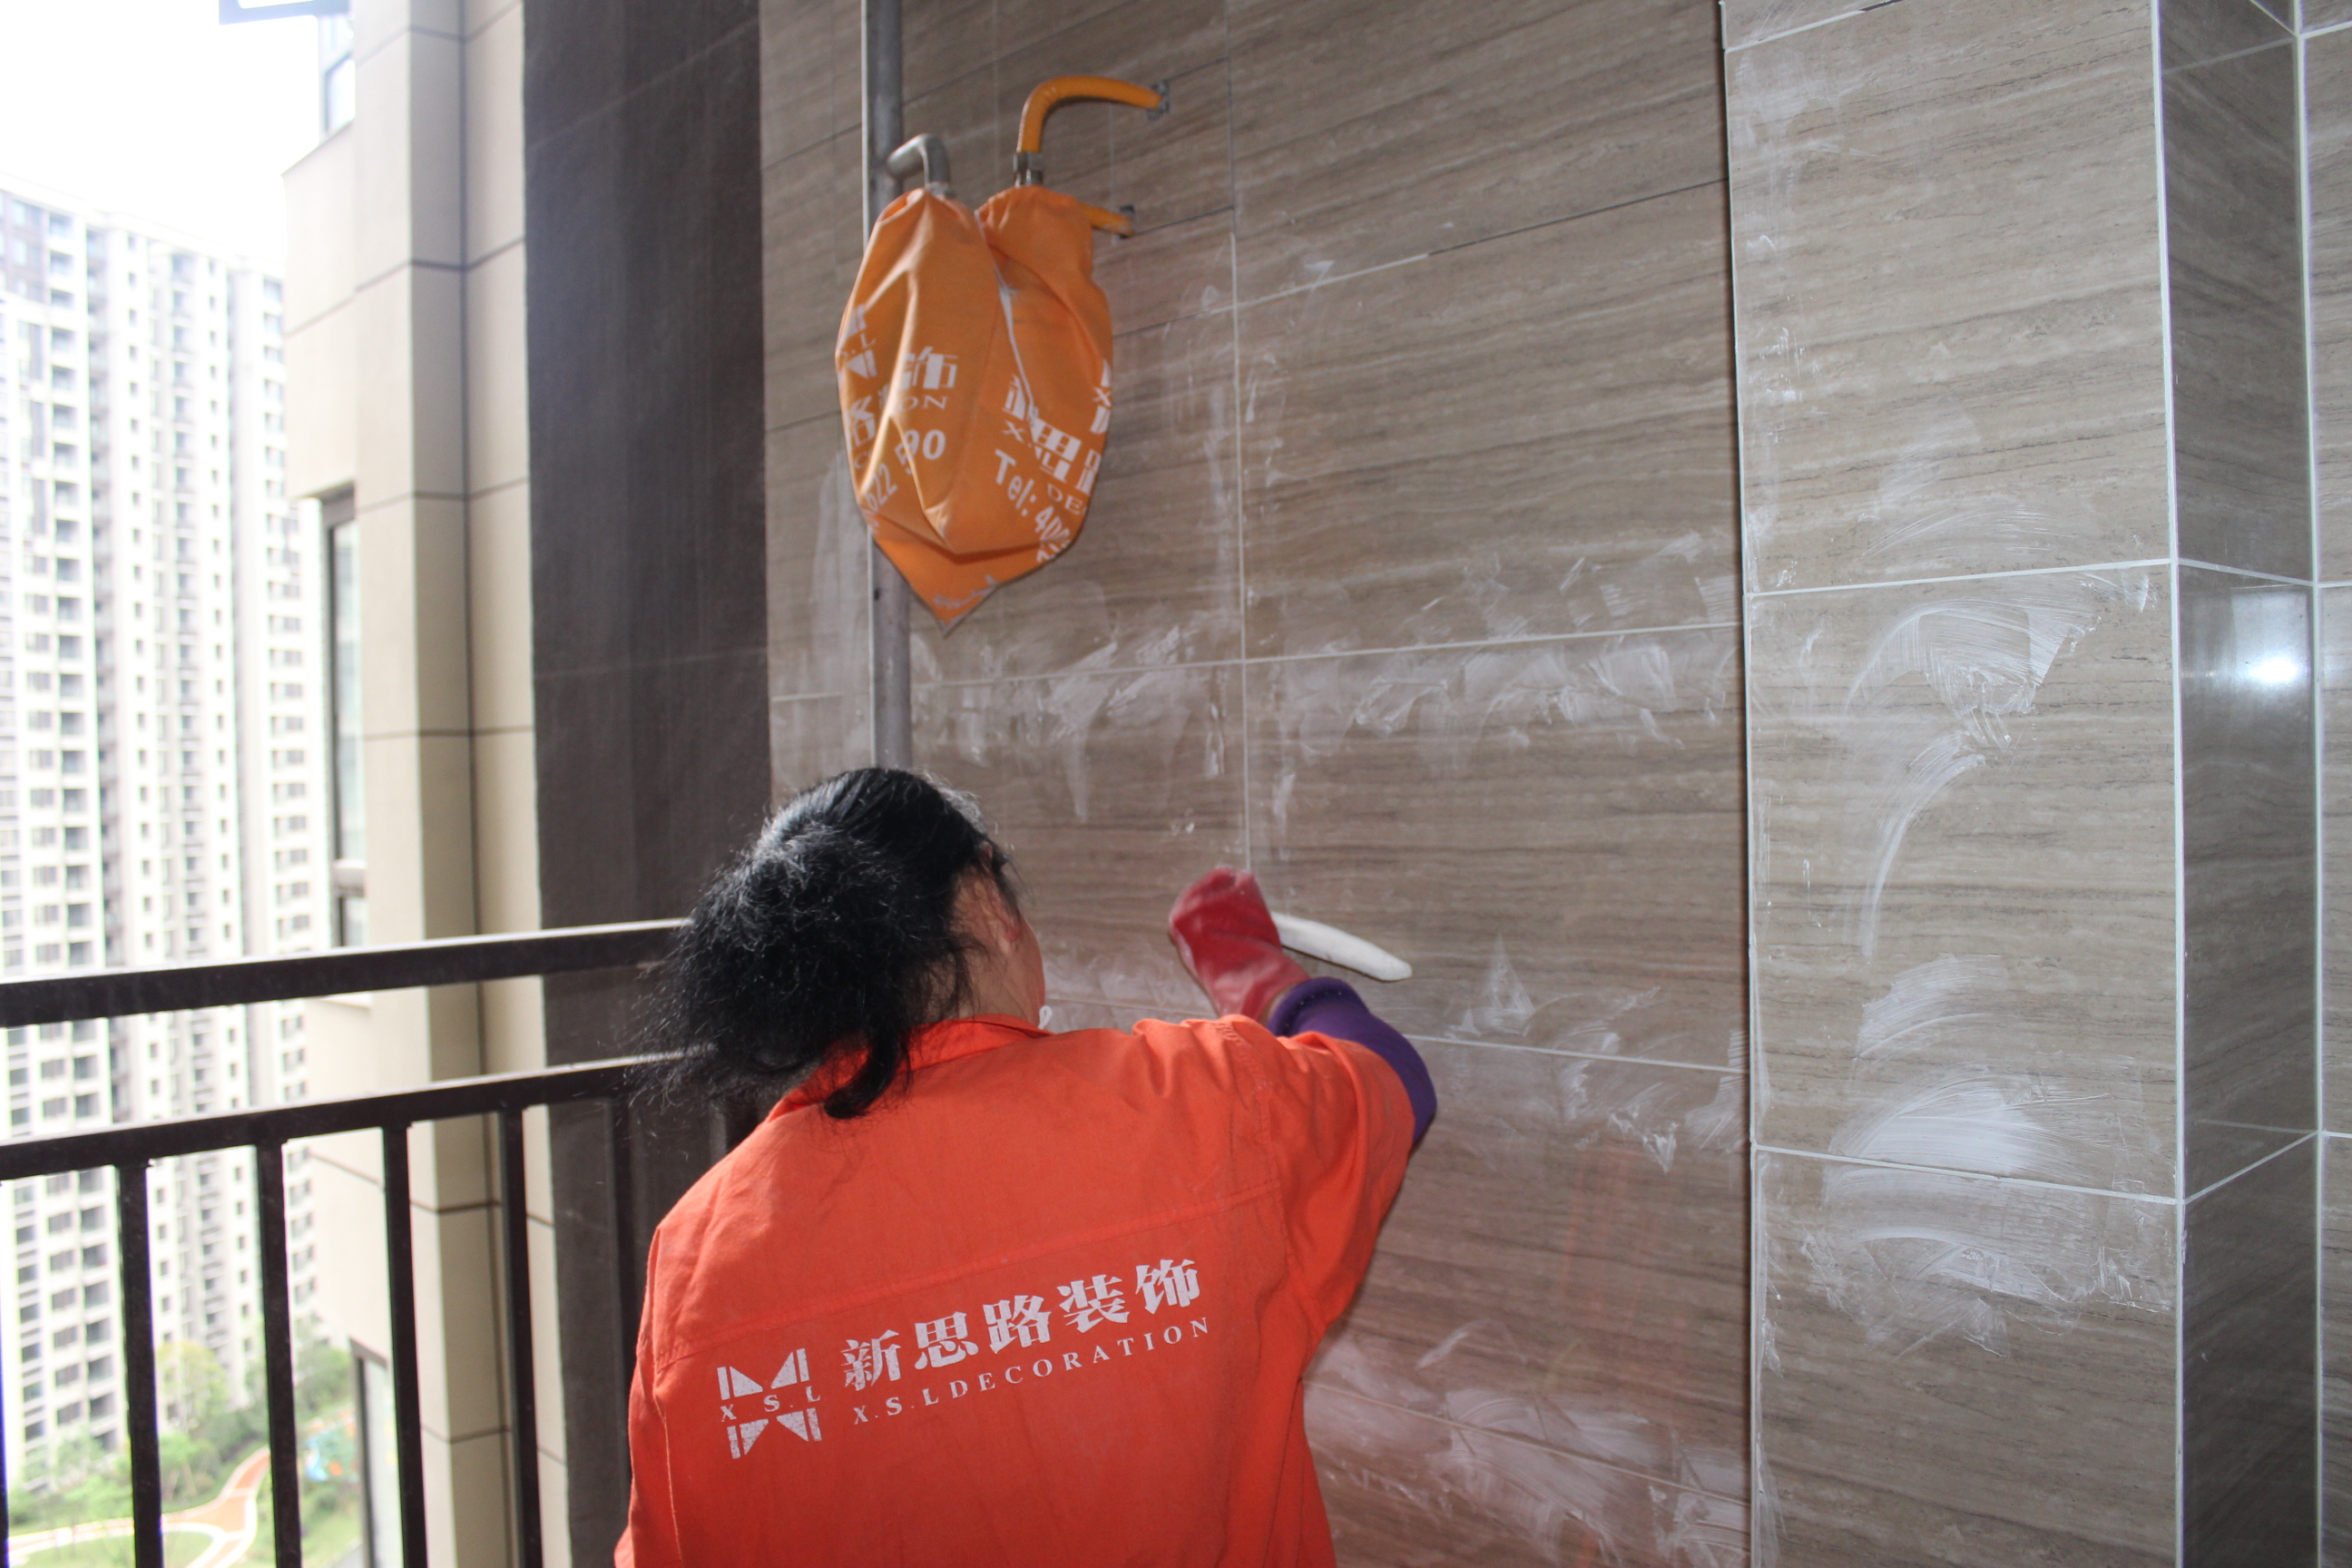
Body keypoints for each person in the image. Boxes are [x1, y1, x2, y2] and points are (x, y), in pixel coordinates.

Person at [616, 768, 1436, 1565]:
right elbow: (1393, 1080)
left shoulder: (696, 1257)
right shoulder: (1200, 1103)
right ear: (984, 900)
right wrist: (1245, 966)